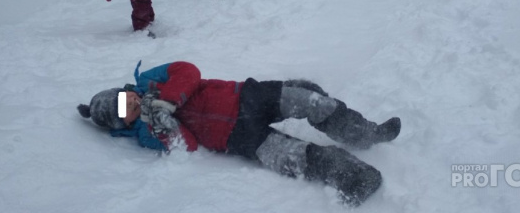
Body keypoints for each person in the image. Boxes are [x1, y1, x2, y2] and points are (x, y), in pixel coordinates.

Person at [77, 61, 402, 206]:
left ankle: (365, 134)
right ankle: (356, 177)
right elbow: (187, 147)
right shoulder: (147, 133)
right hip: (238, 139)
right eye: (126, 111)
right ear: (126, 123)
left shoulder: (148, 80)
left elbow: (187, 70)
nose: (131, 103)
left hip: (246, 97)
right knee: (299, 159)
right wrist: (164, 123)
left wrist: (167, 100)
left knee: (311, 102)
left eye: (125, 98)